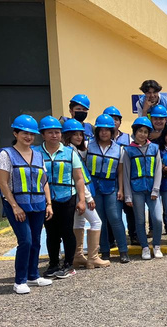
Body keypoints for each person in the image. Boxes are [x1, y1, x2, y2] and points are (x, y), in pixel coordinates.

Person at [0, 115, 54, 294]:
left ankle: (33, 276)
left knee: (35, 240)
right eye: (24, 133)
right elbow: (3, 183)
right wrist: (14, 206)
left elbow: (44, 181)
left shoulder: (38, 155)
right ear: (15, 133)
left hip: (38, 204)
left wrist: (49, 203)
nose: (29, 137)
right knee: (25, 241)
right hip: (17, 205)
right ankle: (19, 280)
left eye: (31, 134)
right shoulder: (6, 154)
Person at [36, 116, 87, 279]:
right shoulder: (36, 153)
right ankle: (53, 264)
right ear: (43, 134)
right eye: (50, 132)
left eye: (57, 132)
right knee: (51, 233)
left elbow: (79, 178)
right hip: (45, 200)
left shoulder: (70, 153)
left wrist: (82, 200)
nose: (54, 135)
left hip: (67, 197)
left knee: (67, 231)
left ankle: (68, 265)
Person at [62, 117, 109, 269]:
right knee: (96, 222)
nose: (79, 137)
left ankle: (77, 256)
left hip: (76, 194)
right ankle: (93, 258)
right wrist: (87, 198)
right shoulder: (71, 152)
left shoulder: (72, 151)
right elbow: (78, 178)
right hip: (80, 194)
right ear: (67, 135)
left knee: (79, 222)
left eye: (81, 134)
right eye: (75, 134)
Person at [86, 110, 130, 264]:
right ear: (97, 131)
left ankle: (123, 250)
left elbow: (120, 172)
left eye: (107, 130)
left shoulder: (119, 149)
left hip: (111, 186)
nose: (104, 133)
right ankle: (104, 251)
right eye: (101, 130)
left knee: (115, 218)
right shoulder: (88, 146)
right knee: (100, 220)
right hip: (94, 188)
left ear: (112, 131)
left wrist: (121, 190)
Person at [122, 117, 163, 260]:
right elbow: (126, 174)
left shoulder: (154, 148)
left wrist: (156, 189)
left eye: (146, 132)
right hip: (136, 191)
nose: (143, 134)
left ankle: (156, 245)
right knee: (139, 221)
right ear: (135, 132)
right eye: (140, 131)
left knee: (157, 219)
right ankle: (145, 247)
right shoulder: (128, 150)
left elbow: (158, 170)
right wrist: (128, 196)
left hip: (152, 191)